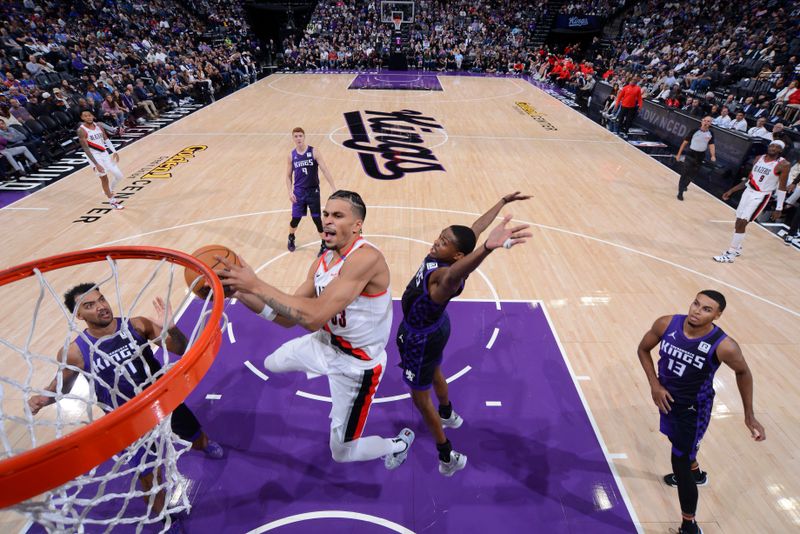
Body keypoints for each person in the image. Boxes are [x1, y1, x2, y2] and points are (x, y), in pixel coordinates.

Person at [219, 190, 415, 467]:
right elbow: (287, 317)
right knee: (272, 363)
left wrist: (256, 284)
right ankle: (324, 376)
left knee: (342, 453)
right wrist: (240, 292)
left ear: (357, 225)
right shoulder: (322, 262)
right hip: (324, 342)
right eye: (325, 214)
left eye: (337, 215)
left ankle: (397, 444)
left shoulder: (366, 259)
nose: (327, 221)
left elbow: (313, 316)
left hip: (356, 366)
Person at [28, 284, 223, 525]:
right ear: (79, 316)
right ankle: (163, 518)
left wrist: (171, 329)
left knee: (195, 435)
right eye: (90, 305)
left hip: (162, 399)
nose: (101, 307)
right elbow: (63, 386)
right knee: (149, 476)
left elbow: (181, 349)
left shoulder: (137, 325)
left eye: (101, 299)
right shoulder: (75, 352)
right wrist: (44, 399)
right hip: (126, 420)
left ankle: (204, 445)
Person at [397, 193, 532, 476]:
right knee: (434, 370)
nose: (437, 241)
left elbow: (454, 274)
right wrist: (502, 202)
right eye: (440, 236)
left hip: (419, 338)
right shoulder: (445, 255)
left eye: (444, 242)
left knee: (421, 399)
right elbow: (475, 229)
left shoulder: (444, 279)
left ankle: (447, 456)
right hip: (434, 329)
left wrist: (486, 249)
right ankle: (447, 413)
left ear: (457, 256)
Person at [636, 290, 765, 534]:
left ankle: (689, 526)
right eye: (696, 303)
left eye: (706, 309)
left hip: (693, 411)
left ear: (718, 315)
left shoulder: (724, 345)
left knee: (679, 461)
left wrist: (749, 415)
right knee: (679, 445)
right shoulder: (666, 323)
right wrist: (654, 384)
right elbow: (643, 349)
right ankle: (698, 475)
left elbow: (743, 372)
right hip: (667, 401)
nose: (697, 310)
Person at [713, 140, 790, 262]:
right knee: (738, 221)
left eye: (777, 147)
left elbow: (782, 188)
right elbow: (749, 179)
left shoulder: (783, 164)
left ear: (780, 150)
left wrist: (779, 208)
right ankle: (737, 248)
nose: (773, 148)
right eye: (771, 145)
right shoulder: (759, 158)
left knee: (742, 223)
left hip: (761, 195)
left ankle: (730, 255)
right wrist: (732, 190)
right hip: (748, 192)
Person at [285, 127, 337, 255]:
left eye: (300, 136)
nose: (298, 138)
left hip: (313, 191)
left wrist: (333, 187)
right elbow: (287, 176)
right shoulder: (291, 155)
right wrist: (290, 192)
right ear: (293, 138)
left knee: (317, 220)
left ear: (304, 137)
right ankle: (291, 237)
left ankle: (324, 244)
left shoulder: (314, 151)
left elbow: (324, 169)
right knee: (295, 220)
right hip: (298, 192)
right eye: (296, 136)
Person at [78, 109, 125, 210]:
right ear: (82, 118)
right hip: (94, 156)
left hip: (104, 153)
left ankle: (108, 190)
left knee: (119, 175)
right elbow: (86, 149)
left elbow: (106, 139)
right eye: (85, 116)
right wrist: (96, 164)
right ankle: (112, 202)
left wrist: (114, 151)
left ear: (92, 116)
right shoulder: (81, 130)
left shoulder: (99, 126)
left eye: (89, 115)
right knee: (104, 178)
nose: (88, 117)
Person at [675, 116, 716, 201]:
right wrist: (679, 154)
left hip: (701, 156)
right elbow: (685, 142)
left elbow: (711, 145)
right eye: (704, 120)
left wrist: (713, 155)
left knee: (692, 174)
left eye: (708, 121)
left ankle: (685, 185)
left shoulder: (711, 133)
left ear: (710, 123)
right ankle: (680, 192)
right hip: (691, 154)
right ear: (702, 121)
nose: (706, 122)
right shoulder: (694, 130)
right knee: (685, 172)